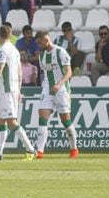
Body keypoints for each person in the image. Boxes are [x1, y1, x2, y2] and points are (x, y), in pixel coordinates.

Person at [0, 25, 36, 161]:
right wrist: (19, 90)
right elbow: (20, 73)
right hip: (10, 90)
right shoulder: (15, 50)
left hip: (7, 90)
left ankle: (31, 149)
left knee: (11, 122)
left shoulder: (2, 50)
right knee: (1, 121)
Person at [34, 31, 78, 159]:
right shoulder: (41, 55)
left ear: (46, 39)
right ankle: (40, 152)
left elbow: (69, 72)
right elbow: (46, 73)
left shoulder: (60, 52)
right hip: (47, 89)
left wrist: (59, 84)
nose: (38, 45)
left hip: (62, 90)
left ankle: (74, 148)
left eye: (39, 42)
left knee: (66, 121)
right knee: (42, 118)